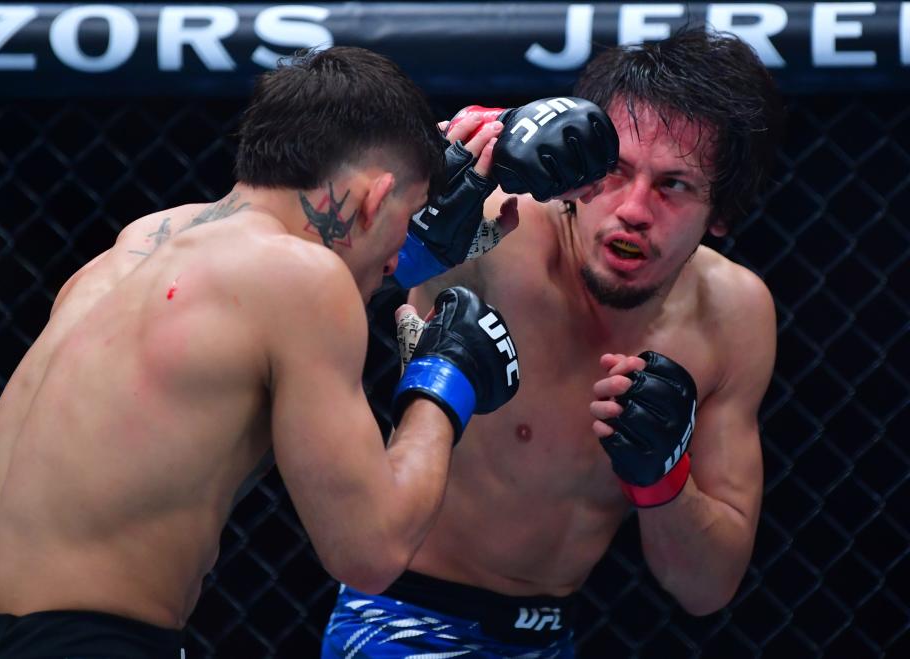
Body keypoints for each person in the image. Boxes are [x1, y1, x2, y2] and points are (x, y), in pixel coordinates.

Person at [0, 46, 527, 658]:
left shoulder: (136, 247)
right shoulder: (303, 280)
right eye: (407, 219)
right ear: (373, 197)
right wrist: (445, 379)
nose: (398, 253)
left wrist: (397, 258)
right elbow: (371, 550)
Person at [322, 28, 786, 658]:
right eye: (616, 170)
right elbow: (300, 279)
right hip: (400, 619)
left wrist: (665, 475)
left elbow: (707, 586)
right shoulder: (494, 226)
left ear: (721, 214)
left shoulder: (734, 314)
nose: (634, 209)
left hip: (553, 640)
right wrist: (445, 184)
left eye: (674, 186)